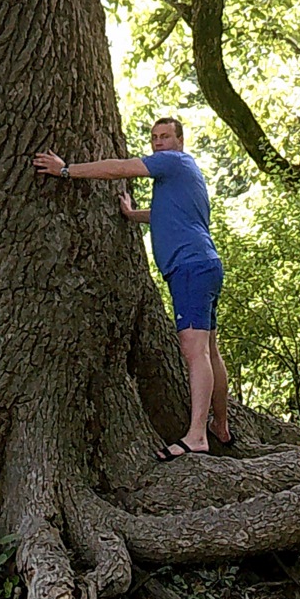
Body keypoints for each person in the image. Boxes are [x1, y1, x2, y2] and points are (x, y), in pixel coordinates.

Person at [33, 118, 232, 460]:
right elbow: (167, 215)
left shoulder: (171, 161)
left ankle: (197, 434)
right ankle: (221, 426)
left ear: (179, 141)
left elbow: (121, 168)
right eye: (154, 138)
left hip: (189, 268)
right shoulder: (187, 172)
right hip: (206, 264)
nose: (158, 143)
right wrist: (132, 214)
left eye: (165, 137)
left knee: (194, 351)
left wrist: (67, 170)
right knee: (210, 351)